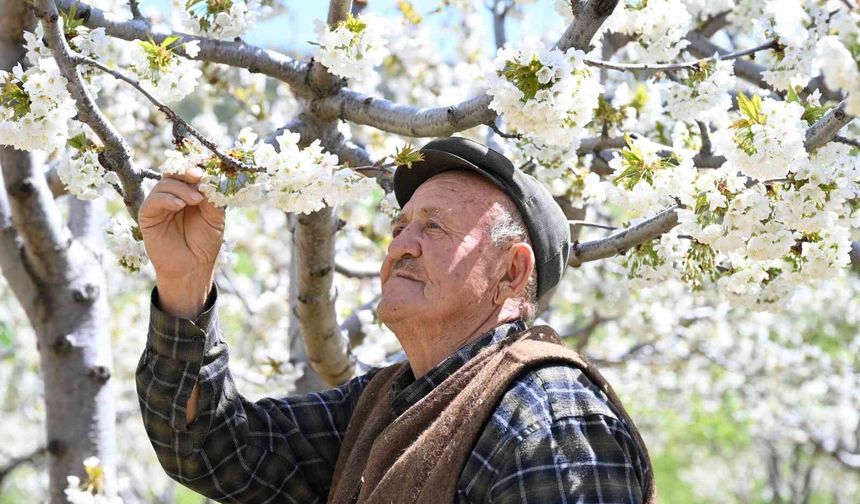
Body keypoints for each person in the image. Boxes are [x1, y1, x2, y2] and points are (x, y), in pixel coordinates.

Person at [137, 137, 655, 503]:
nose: (401, 247)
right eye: (399, 228)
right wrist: (185, 285)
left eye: (434, 228)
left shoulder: (548, 415)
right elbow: (210, 448)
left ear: (511, 271)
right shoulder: (380, 404)